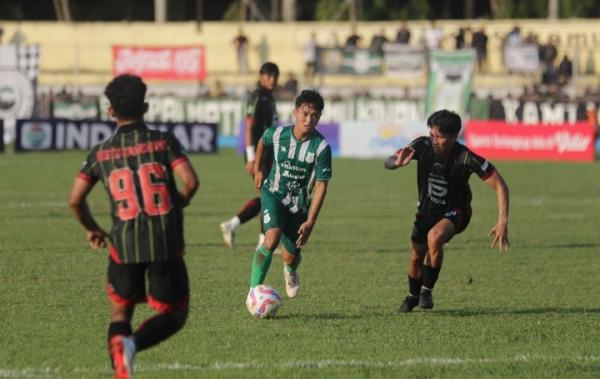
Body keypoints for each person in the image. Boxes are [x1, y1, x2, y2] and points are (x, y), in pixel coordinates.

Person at [68, 74, 199, 379]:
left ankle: (121, 357)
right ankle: (132, 344)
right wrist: (176, 204)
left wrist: (93, 228)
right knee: (175, 315)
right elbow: (190, 182)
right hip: (164, 242)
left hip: (122, 245)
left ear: (110, 111)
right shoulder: (163, 142)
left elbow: (75, 200)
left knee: (119, 313)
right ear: (146, 106)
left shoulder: (100, 153)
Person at [384, 109, 509, 313]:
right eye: (432, 135)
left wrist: (502, 220)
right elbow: (388, 161)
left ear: (453, 136)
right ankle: (412, 296)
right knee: (416, 256)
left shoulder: (465, 157)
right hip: (426, 210)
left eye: (440, 136)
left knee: (435, 237)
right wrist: (395, 163)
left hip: (456, 211)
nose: (435, 140)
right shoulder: (422, 145)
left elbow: (500, 185)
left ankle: (427, 290)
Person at [248, 90, 331, 299]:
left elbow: (321, 185)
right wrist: (258, 168)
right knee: (271, 237)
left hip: (299, 206)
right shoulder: (277, 134)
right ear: (295, 112)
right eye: (304, 113)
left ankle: (290, 270)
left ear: (319, 117)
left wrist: (310, 221)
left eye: (314, 115)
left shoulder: (321, 147)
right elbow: (262, 142)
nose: (309, 119)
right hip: (273, 194)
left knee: (290, 257)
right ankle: (253, 292)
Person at [220, 62, 279, 249]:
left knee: (268, 196)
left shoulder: (269, 98)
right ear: (261, 76)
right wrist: (252, 156)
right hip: (259, 155)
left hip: (268, 154)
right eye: (268, 76)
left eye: (275, 76)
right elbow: (249, 126)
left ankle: (234, 226)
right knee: (269, 196)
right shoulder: (257, 97)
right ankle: (262, 241)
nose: (272, 79)